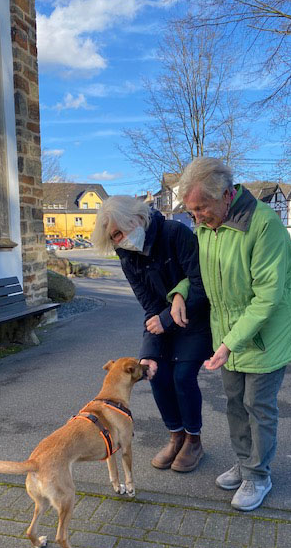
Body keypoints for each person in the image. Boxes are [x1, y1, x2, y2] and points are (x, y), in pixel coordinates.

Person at [170, 157, 291, 510]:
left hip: (266, 336)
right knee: (234, 404)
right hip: (227, 335)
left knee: (257, 406)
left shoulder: (264, 225)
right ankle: (245, 464)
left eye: (202, 208)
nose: (197, 217)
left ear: (227, 195)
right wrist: (180, 292)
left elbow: (268, 296)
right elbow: (200, 274)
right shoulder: (207, 227)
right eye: (191, 210)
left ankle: (259, 476)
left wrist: (230, 343)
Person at [91, 195, 212, 473]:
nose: (120, 240)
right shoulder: (127, 257)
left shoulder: (174, 233)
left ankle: (193, 440)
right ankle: (176, 435)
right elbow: (149, 306)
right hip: (163, 324)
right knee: (155, 373)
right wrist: (149, 353)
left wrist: (167, 318)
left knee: (183, 377)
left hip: (194, 318)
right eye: (114, 238)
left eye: (120, 232)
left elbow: (200, 284)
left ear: (135, 218)